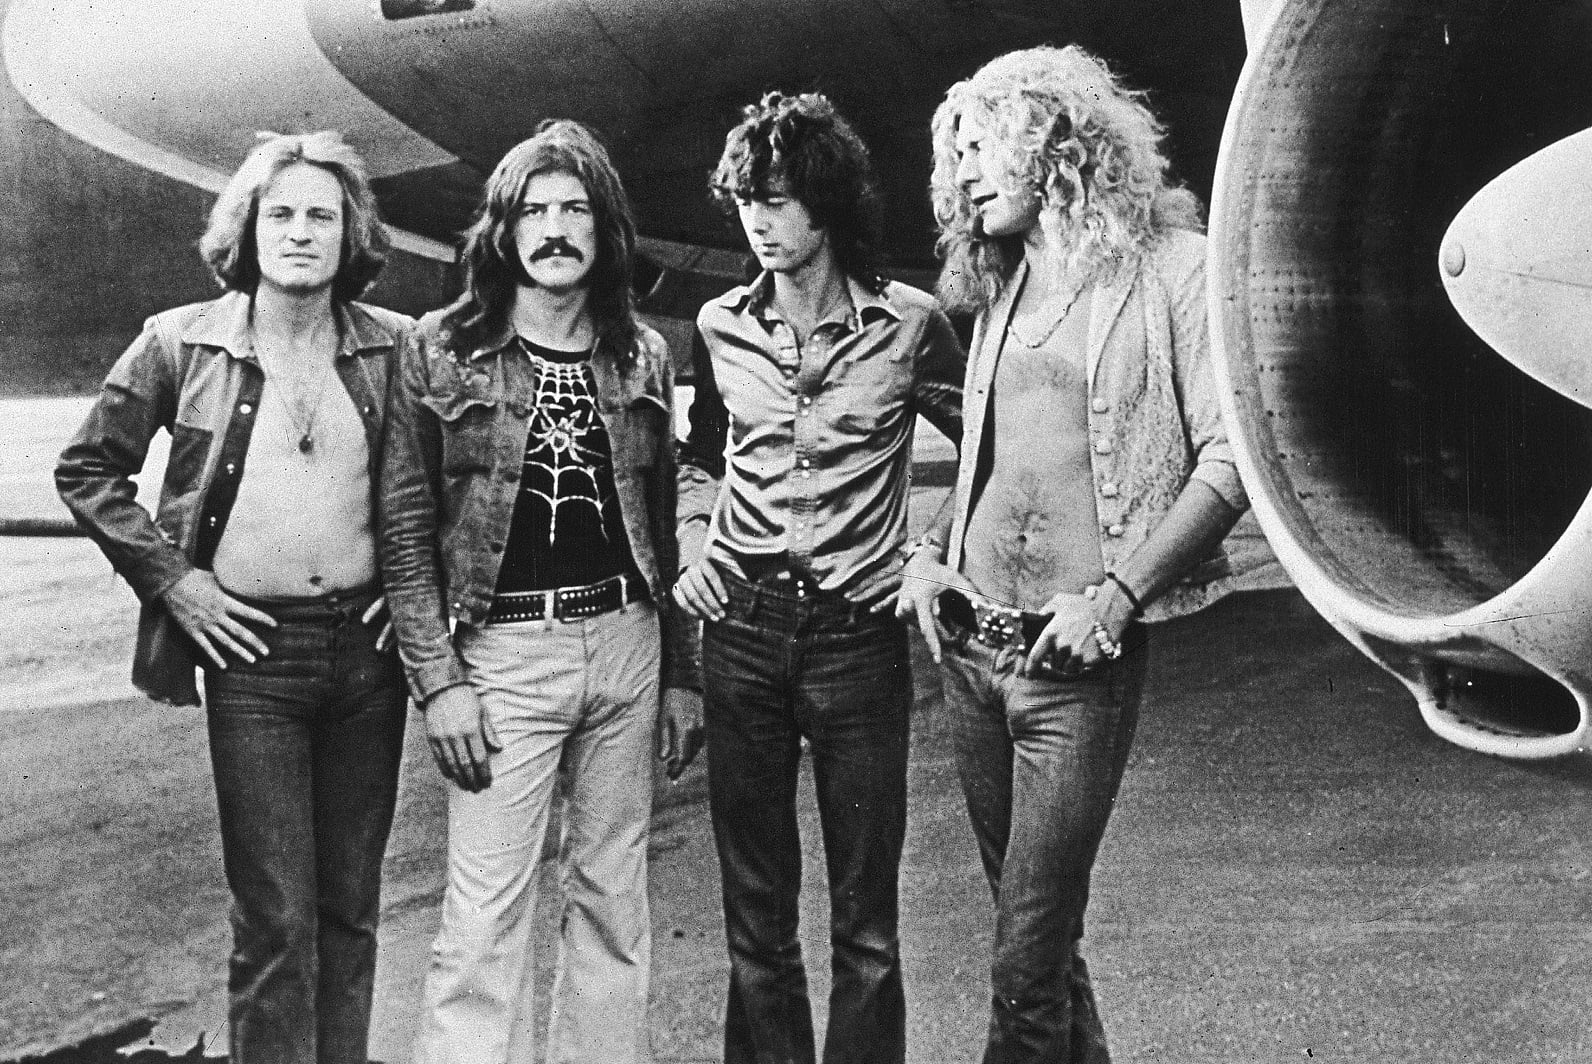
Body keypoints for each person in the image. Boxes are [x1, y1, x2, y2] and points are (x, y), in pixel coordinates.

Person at [897, 45, 1251, 1062]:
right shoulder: (1001, 285)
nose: (962, 174)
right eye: (954, 155)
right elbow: (990, 459)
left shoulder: (1172, 268)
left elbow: (1227, 461)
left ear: (1054, 137)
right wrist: (928, 555)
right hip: (970, 650)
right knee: (1042, 945)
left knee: (1023, 960)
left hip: (1073, 665)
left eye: (980, 146)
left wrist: (1115, 597)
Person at [56, 131, 411, 1064]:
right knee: (277, 919)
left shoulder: (397, 346)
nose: (300, 232)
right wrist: (175, 582)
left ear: (352, 235)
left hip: (370, 657)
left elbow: (459, 479)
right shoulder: (179, 341)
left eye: (322, 216)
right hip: (253, 659)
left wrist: (419, 591)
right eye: (279, 213)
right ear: (246, 230)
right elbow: (87, 468)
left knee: (350, 912)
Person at [379, 119, 703, 1064]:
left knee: (614, 904)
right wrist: (440, 683)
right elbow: (405, 532)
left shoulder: (641, 355)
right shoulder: (441, 349)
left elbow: (661, 524)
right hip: (503, 659)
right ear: (504, 229)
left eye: (575, 210)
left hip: (628, 644)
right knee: (485, 916)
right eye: (534, 211)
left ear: (606, 229)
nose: (555, 229)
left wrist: (682, 674)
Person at [673, 91, 965, 1064]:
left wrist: (928, 553)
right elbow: (698, 458)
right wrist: (693, 543)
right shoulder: (718, 324)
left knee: (865, 925)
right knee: (755, 922)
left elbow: (988, 448)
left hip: (856, 637)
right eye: (744, 201)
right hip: (743, 631)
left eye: (777, 200)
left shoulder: (910, 325)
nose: (757, 221)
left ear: (826, 203)